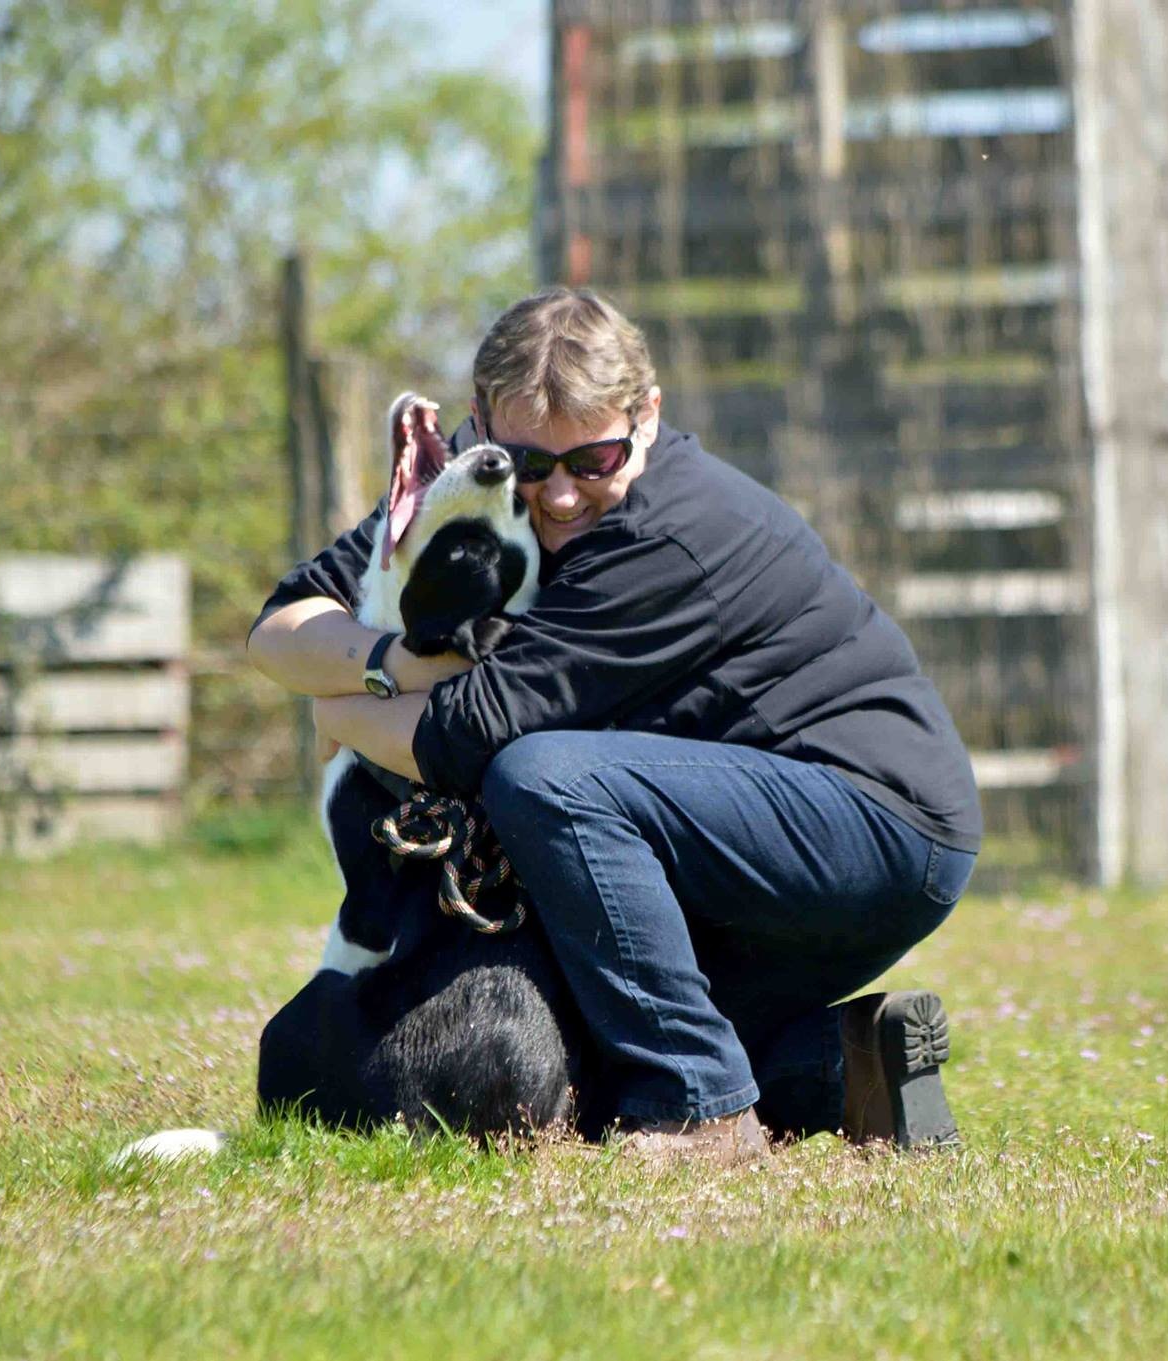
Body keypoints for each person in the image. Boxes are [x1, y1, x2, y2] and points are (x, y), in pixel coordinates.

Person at [247, 288, 981, 1164]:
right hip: (725, 827)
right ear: (483, 428)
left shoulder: (667, 533)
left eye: (593, 458)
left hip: (873, 827)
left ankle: (701, 1109)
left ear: (648, 416)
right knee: (573, 1060)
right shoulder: (482, 492)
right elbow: (280, 628)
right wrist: (389, 665)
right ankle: (843, 1064)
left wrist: (337, 709)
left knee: (542, 776)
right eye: (528, 459)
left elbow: (463, 736)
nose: (558, 496)